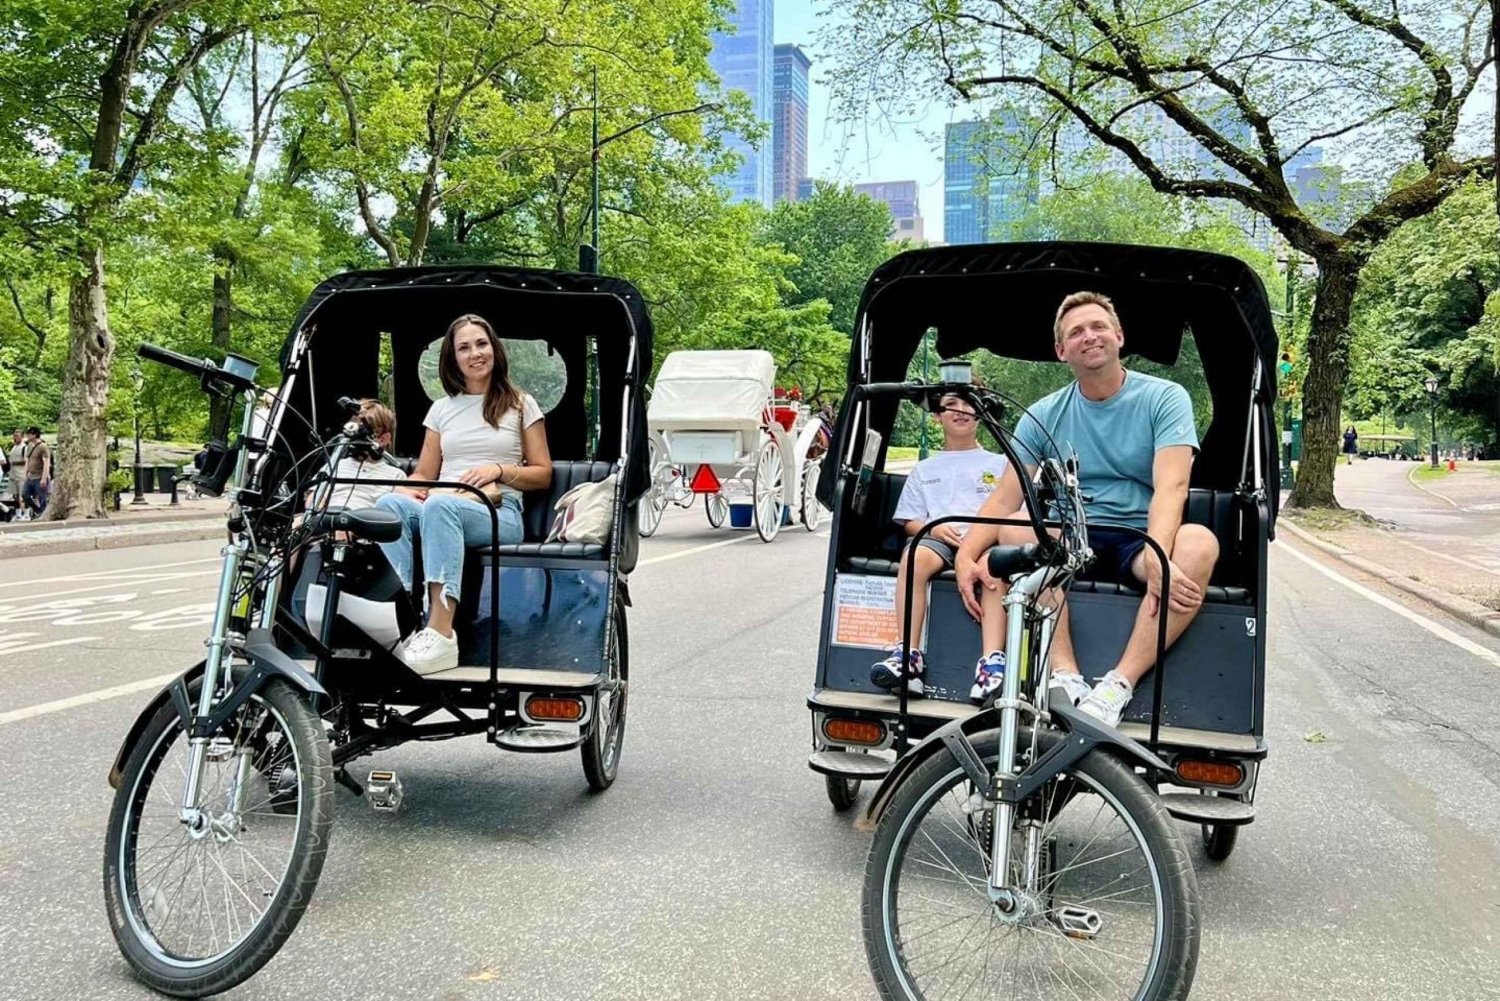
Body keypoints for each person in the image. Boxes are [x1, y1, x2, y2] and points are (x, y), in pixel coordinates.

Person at [954, 291, 1219, 727]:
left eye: (1098, 327)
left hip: (1139, 536)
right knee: (1018, 529)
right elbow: (1005, 497)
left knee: (1199, 546)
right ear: (1061, 351)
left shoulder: (1166, 398)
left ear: (1118, 335)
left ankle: (1118, 685)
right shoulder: (1042, 414)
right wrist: (966, 555)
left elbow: (1172, 486)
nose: (1089, 337)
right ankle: (1066, 675)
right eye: (1076, 332)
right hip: (1070, 537)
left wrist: (1156, 554)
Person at [375, 315, 552, 673]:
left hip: (498, 511)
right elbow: (425, 474)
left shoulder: (521, 404)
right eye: (464, 347)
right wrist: (403, 489)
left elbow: (543, 473)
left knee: (440, 506)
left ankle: (442, 634)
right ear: (453, 358)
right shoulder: (441, 409)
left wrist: (499, 470)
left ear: (494, 349)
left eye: (481, 344)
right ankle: (409, 614)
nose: (475, 353)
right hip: (445, 504)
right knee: (388, 506)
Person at [868, 392, 1010, 701]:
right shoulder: (925, 469)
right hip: (939, 539)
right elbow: (909, 520)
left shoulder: (1000, 464)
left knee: (995, 568)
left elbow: (1009, 512)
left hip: (985, 539)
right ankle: (908, 655)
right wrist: (934, 528)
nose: (961, 411)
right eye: (952, 405)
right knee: (914, 556)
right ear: (937, 416)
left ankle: (992, 664)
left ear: (982, 411)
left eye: (969, 403)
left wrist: (980, 538)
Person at [315, 399, 405, 509]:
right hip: (327, 520)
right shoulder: (334, 465)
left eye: (363, 432)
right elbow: (314, 499)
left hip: (366, 521)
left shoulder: (395, 475)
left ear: (383, 439)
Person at [21, 426, 50, 518]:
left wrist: (44, 478)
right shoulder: (29, 446)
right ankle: (37, 510)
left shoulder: (43, 447)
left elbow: (46, 463)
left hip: (39, 475)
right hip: (31, 476)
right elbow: (27, 460)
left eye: (29, 434)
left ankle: (42, 513)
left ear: (34, 435)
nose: (27, 436)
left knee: (42, 498)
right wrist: (26, 474)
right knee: (25, 495)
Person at [4, 429, 24, 507]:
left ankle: (24, 512)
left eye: (17, 436)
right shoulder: (14, 447)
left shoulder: (24, 447)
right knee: (15, 496)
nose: (15, 438)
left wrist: (13, 462)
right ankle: (18, 512)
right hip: (13, 474)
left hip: (20, 474)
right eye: (14, 436)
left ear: (22, 437)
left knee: (21, 495)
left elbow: (25, 461)